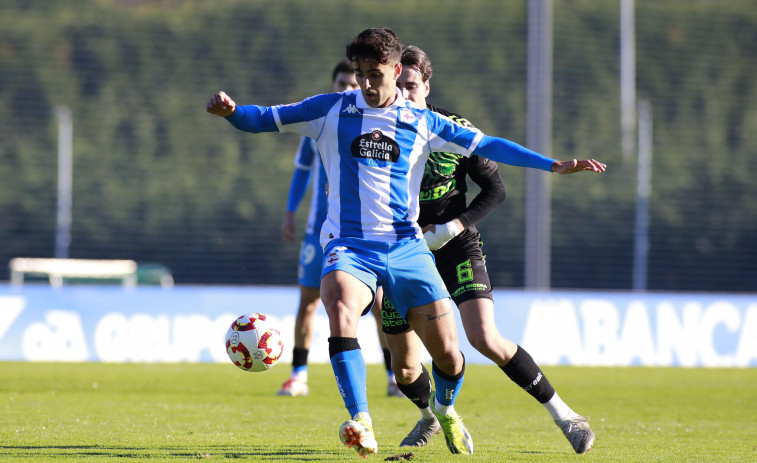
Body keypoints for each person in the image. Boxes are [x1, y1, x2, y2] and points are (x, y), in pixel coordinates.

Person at [206, 27, 605, 458]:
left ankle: (445, 411)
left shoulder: (425, 122)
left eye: (375, 73)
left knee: (450, 357)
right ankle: (361, 421)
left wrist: (551, 165)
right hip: (349, 244)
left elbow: (489, 146)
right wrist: (231, 112)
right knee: (341, 306)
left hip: (407, 248)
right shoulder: (328, 110)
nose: (366, 83)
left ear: (396, 71)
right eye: (359, 73)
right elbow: (262, 118)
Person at [384, 45, 595, 454]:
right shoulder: (380, 129)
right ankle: (432, 418)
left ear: (426, 85)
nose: (406, 95)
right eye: (400, 86)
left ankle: (567, 416)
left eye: (412, 86)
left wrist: (451, 227)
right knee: (404, 366)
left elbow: (495, 189)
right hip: (405, 251)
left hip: (455, 245)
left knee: (484, 336)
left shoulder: (449, 128)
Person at [278, 60, 402, 399]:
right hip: (318, 227)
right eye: (343, 83)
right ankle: (298, 375)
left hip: (361, 232)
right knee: (308, 300)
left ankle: (393, 376)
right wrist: (290, 211)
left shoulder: (374, 122)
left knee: (378, 304)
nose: (349, 88)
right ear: (333, 85)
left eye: (353, 83)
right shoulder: (319, 123)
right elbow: (303, 172)